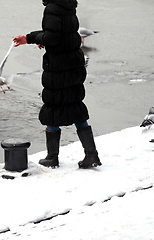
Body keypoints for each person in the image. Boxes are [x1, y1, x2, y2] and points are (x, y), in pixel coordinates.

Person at [13, 0, 101, 169]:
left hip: (59, 65)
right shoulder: (68, 5)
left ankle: (52, 157)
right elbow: (62, 34)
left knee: (52, 105)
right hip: (73, 62)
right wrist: (31, 37)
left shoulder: (52, 8)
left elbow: (52, 37)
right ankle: (91, 155)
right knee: (75, 105)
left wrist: (36, 39)